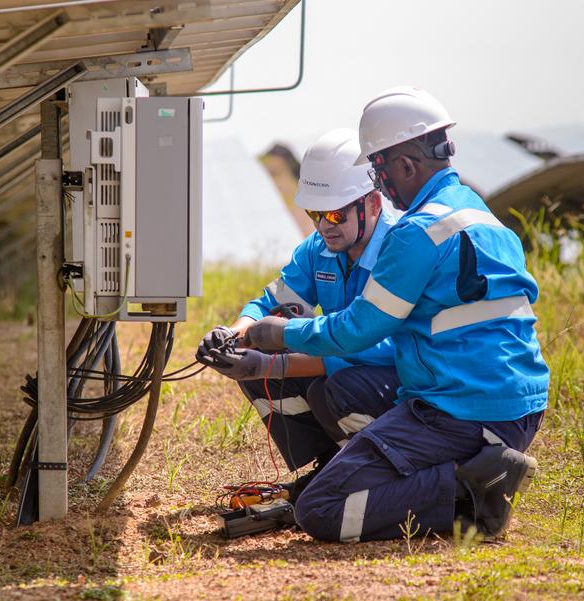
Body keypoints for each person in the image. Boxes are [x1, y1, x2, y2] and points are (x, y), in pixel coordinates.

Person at [242, 87, 550, 541]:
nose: (380, 185)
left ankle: (473, 491)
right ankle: (473, 470)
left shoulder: (418, 232)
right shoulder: (480, 215)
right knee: (340, 430)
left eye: (380, 171)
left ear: (406, 165)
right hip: (519, 407)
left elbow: (359, 330)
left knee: (320, 509)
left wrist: (279, 335)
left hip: (458, 410)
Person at [197, 129, 401, 498]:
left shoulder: (401, 249)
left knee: (334, 389)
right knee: (257, 356)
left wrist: (274, 365)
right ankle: (330, 464)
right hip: (346, 360)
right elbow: (273, 300)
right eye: (315, 213)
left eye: (336, 213)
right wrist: (235, 333)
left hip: (395, 379)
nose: (324, 225)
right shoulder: (318, 249)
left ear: (372, 204)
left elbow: (388, 350)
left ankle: (379, 471)